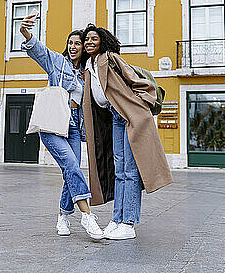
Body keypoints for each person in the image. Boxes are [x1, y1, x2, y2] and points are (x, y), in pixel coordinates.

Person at [81, 24, 173, 240]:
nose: (89, 42)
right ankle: (117, 219)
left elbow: (135, 80)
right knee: (119, 170)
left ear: (103, 41)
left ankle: (128, 223)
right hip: (115, 117)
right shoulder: (89, 66)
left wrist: (140, 103)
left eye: (94, 38)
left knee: (131, 171)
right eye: (86, 39)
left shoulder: (110, 57)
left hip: (130, 115)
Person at [19, 13, 104, 240]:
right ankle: (87, 215)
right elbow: (37, 49)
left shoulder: (88, 72)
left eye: (78, 43)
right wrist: (25, 31)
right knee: (71, 165)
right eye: (71, 43)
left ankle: (62, 216)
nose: (74, 46)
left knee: (71, 169)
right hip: (54, 124)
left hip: (75, 126)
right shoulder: (57, 62)